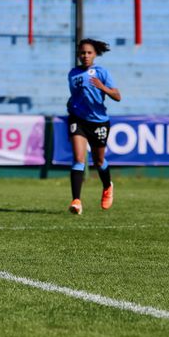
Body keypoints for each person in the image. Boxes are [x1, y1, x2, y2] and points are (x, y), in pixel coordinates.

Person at [66, 38, 122, 214]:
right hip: (78, 120)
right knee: (78, 159)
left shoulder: (102, 72)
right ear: (79, 55)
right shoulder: (73, 73)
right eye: (82, 53)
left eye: (89, 52)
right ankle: (76, 201)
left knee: (99, 161)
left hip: (98, 121)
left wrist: (102, 87)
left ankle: (107, 186)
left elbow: (117, 96)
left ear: (95, 54)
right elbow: (76, 96)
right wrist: (71, 104)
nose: (85, 56)